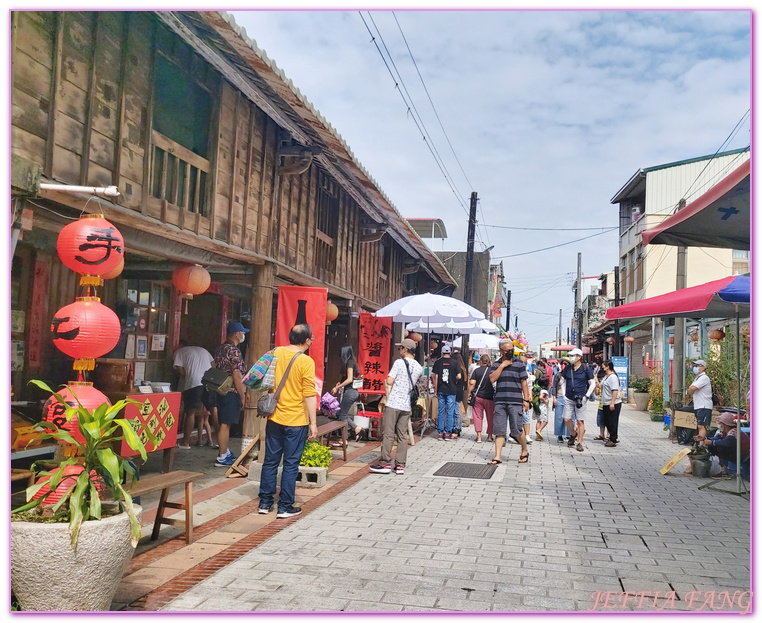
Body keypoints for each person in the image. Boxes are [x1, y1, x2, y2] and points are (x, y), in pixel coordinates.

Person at [258, 324, 318, 518]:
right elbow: (309, 394)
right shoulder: (306, 361)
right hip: (296, 419)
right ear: (307, 340)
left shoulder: (275, 353)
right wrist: (314, 424)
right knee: (291, 464)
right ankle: (285, 506)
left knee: (270, 461)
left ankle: (265, 503)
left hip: (274, 416)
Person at [369, 338, 423, 475]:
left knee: (388, 434)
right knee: (402, 436)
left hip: (393, 403)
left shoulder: (399, 363)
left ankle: (385, 463)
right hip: (406, 405)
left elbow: (389, 380)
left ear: (405, 349)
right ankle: (400, 465)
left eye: (401, 348)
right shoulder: (418, 367)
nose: (400, 351)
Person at [211, 320, 249, 467]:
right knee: (226, 424)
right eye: (242, 333)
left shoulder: (220, 348)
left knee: (223, 423)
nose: (243, 335)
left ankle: (224, 451)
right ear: (236, 334)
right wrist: (242, 395)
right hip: (231, 391)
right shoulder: (234, 351)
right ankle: (222, 456)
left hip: (220, 389)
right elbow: (237, 375)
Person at [488, 339, 531, 464]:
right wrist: (502, 366)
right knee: (499, 430)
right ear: (501, 351)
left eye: (512, 350)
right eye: (507, 350)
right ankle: (497, 456)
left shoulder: (519, 365)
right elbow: (492, 379)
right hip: (500, 401)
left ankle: (524, 450)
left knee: (516, 430)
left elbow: (524, 383)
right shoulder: (496, 365)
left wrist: (526, 400)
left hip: (516, 402)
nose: (510, 352)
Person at [173, 341, 215, 449]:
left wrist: (189, 376)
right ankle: (220, 439)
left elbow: (180, 371)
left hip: (194, 384)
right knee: (213, 409)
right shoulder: (203, 350)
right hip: (208, 382)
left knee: (190, 412)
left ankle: (185, 442)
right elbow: (213, 365)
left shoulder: (179, 352)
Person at [693, 411, 750, 480]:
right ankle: (723, 469)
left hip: (745, 455)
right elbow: (716, 438)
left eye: (721, 424)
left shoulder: (734, 432)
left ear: (725, 424)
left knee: (721, 447)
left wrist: (711, 442)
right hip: (737, 453)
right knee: (715, 445)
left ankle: (724, 471)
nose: (720, 426)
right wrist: (704, 438)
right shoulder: (724, 432)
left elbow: (727, 443)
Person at [559, 348, 595, 452]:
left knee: (580, 421)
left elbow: (592, 383)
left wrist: (586, 396)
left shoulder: (586, 368)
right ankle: (573, 434)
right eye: (570, 356)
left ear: (579, 357)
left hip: (581, 398)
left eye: (573, 356)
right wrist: (564, 394)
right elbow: (563, 381)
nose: (571, 358)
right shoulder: (568, 368)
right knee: (566, 419)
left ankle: (579, 442)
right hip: (569, 397)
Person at [331, 345, 364, 441]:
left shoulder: (349, 362)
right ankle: (356, 429)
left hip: (350, 392)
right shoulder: (352, 361)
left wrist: (338, 387)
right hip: (352, 391)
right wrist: (340, 383)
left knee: (341, 415)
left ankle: (345, 439)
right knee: (341, 414)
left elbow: (349, 379)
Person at [432, 344, 462, 441]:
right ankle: (448, 433)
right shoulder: (455, 362)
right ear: (450, 352)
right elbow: (459, 376)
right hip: (452, 390)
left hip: (441, 389)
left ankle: (440, 433)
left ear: (442, 352)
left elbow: (435, 377)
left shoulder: (438, 362)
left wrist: (436, 389)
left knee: (441, 411)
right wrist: (453, 378)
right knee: (450, 411)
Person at [468, 354, 494, 443]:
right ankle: (490, 436)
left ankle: (479, 437)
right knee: (490, 417)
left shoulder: (476, 371)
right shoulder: (492, 371)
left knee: (478, 416)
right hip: (490, 397)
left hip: (478, 396)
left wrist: (469, 393)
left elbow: (472, 383)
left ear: (481, 361)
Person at [686, 359, 712, 439]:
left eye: (697, 366)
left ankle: (702, 445)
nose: (695, 368)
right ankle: (701, 444)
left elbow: (692, 388)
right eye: (695, 366)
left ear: (703, 367)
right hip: (699, 405)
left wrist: (691, 389)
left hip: (704, 405)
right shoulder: (697, 378)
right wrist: (690, 389)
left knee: (701, 426)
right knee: (699, 425)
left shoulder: (704, 378)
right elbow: (689, 390)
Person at [600, 360, 622, 447]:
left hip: (613, 403)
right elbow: (602, 386)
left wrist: (612, 402)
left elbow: (615, 390)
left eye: (603, 365)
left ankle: (613, 439)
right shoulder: (606, 376)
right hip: (605, 402)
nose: (602, 367)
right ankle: (611, 437)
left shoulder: (613, 377)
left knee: (612, 421)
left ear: (608, 366)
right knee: (607, 421)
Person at [551, 362, 569, 442]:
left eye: (565, 364)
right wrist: (554, 398)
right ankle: (559, 435)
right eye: (563, 364)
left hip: (569, 398)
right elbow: (554, 387)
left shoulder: (571, 374)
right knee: (559, 417)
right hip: (559, 397)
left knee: (570, 417)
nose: (563, 365)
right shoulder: (558, 375)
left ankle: (569, 434)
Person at [452, 350, 469, 438]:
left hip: (454, 390)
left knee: (453, 410)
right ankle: (458, 427)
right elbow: (465, 381)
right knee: (457, 409)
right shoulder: (463, 369)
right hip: (460, 391)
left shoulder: (456, 369)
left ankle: (455, 427)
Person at [593, 368, 607, 442]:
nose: (601, 379)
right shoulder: (600, 384)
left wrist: (596, 380)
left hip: (607, 405)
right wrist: (595, 385)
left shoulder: (606, 383)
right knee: (601, 421)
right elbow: (597, 393)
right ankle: (602, 435)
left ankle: (608, 436)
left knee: (608, 421)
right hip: (601, 405)